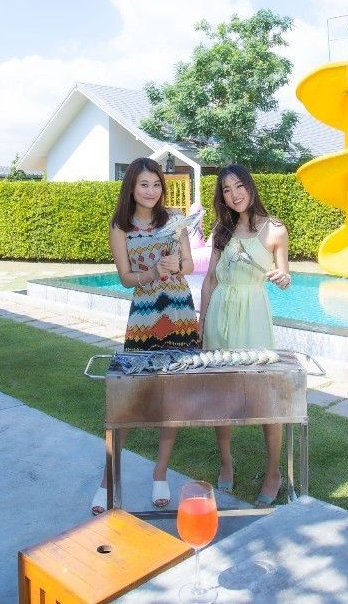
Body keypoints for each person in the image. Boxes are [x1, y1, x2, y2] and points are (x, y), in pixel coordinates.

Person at [91, 157, 199, 515]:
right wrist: (152, 272)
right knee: (131, 400)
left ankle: (160, 472)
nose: (151, 191)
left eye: (156, 184)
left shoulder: (174, 221)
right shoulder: (120, 227)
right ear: (132, 188)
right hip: (145, 317)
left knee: (173, 398)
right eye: (144, 185)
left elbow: (188, 265)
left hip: (180, 312)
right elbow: (124, 277)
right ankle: (108, 480)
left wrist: (174, 266)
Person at [198, 164, 292, 505]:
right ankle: (226, 463)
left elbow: (284, 275)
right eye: (226, 189)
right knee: (221, 396)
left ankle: (273, 473)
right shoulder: (222, 231)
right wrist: (201, 323)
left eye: (239, 186)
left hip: (253, 316)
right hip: (219, 314)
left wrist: (282, 278)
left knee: (264, 396)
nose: (234, 194)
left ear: (250, 187)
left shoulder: (274, 230)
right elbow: (210, 280)